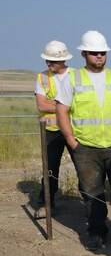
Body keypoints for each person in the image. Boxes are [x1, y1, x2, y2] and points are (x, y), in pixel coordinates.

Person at [55, 30, 111, 252]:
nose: (99, 57)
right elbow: (61, 110)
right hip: (86, 148)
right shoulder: (72, 79)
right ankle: (96, 233)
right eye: (94, 53)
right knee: (91, 192)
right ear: (84, 54)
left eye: (102, 53)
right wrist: (72, 141)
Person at [34, 40, 74, 219]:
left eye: (53, 61)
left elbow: (80, 104)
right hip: (50, 131)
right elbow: (41, 105)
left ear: (63, 60)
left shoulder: (77, 75)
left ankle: (92, 208)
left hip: (74, 130)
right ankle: (46, 203)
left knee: (84, 167)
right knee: (49, 169)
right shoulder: (42, 78)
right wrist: (65, 106)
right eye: (47, 61)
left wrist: (56, 105)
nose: (49, 64)